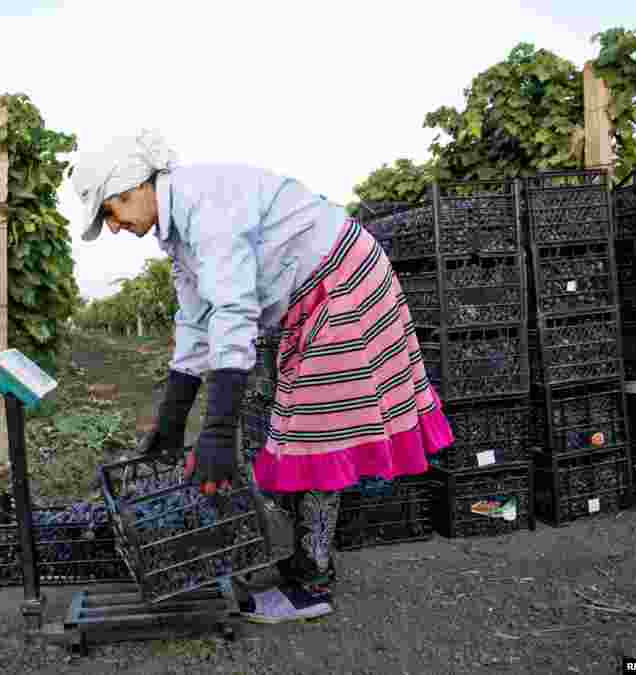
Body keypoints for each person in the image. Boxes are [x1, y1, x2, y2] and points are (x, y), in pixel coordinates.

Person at [71, 130, 454, 624]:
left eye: (110, 214)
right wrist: (171, 421)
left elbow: (232, 312)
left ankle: (312, 583)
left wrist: (215, 431)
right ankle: (302, 562)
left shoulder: (207, 209)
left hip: (345, 287)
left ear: (129, 189)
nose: (116, 227)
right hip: (313, 299)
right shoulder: (180, 228)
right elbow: (195, 321)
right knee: (298, 425)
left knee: (316, 432)